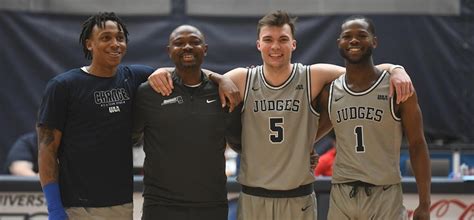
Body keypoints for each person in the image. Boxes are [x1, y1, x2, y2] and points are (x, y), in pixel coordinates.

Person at [149, 10, 414, 220]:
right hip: (254, 198)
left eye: (283, 40)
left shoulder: (312, 75)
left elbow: (365, 72)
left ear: (294, 44)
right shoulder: (242, 78)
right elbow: (193, 74)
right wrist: (162, 71)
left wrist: (395, 68)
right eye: (268, 40)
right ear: (258, 45)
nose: (275, 46)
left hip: (297, 199)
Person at [36, 12, 239, 220]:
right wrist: (54, 208)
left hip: (121, 204)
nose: (115, 44)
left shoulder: (136, 78)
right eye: (106, 37)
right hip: (75, 206)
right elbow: (46, 149)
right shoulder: (63, 86)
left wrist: (219, 78)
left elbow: (185, 67)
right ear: (89, 44)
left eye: (120, 38)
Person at [315, 15, 431, 220]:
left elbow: (417, 145)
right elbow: (314, 133)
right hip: (342, 194)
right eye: (347, 36)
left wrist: (425, 203)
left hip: (384, 194)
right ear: (339, 43)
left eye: (362, 35)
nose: (353, 40)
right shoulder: (330, 91)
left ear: (374, 42)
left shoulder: (398, 88)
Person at [132, 24, 242, 220]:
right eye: (179, 43)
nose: (187, 47)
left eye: (195, 42)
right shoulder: (148, 92)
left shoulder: (223, 93)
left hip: (211, 204)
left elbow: (239, 142)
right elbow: (130, 136)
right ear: (169, 51)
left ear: (205, 49)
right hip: (160, 204)